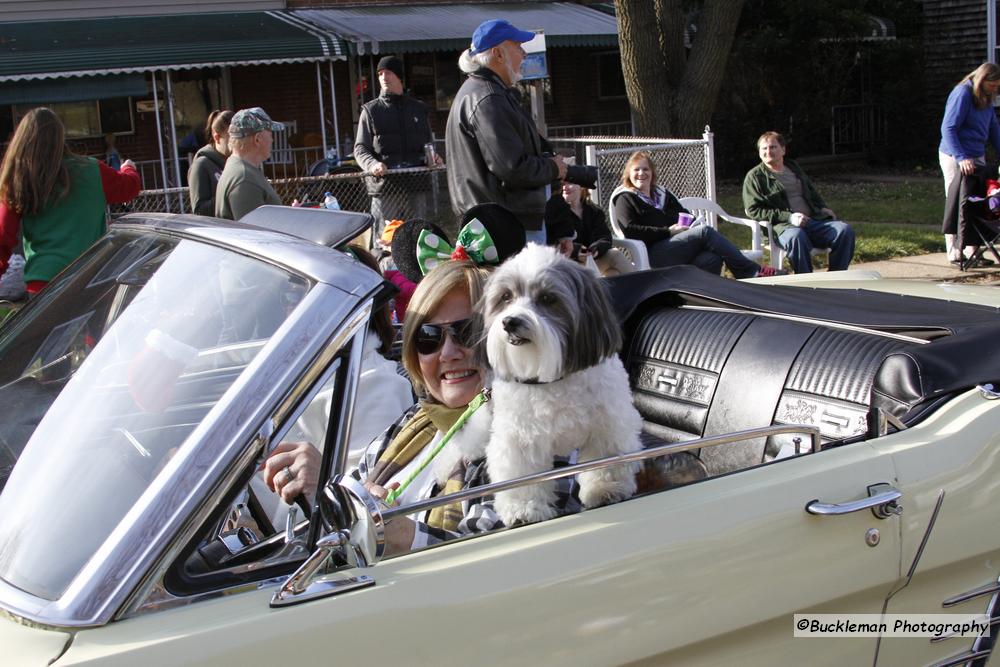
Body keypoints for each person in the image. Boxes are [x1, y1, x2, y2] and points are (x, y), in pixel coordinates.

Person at [445, 18, 567, 245]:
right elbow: (511, 167)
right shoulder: (488, 99)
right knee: (520, 283)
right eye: (518, 46)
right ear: (498, 54)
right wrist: (553, 167)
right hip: (502, 227)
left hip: (493, 223)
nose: (524, 54)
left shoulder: (481, 92)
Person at [0, 108, 140, 296]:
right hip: (91, 277)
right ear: (60, 137)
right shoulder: (92, 170)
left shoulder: (20, 178)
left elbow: (2, 237)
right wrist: (128, 168)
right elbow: (129, 187)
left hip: (44, 282)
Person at [612, 151, 780, 278]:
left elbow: (684, 214)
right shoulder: (625, 198)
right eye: (636, 170)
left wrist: (688, 225)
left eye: (645, 169)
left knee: (711, 258)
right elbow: (630, 230)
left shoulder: (662, 194)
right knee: (705, 232)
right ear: (629, 174)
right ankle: (752, 271)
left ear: (652, 172)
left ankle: (707, 297)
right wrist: (668, 231)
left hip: (678, 246)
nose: (641, 173)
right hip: (652, 252)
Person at [354, 55, 440, 241]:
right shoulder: (370, 111)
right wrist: (372, 164)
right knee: (385, 240)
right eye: (380, 73)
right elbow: (360, 149)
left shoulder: (419, 109)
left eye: (389, 72)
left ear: (399, 76)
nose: (384, 77)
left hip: (416, 184)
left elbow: (428, 143)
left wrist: (433, 157)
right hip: (385, 187)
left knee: (419, 238)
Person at [743, 131, 855, 273]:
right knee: (797, 237)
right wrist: (789, 217)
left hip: (813, 221)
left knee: (845, 231)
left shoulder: (793, 167)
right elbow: (754, 210)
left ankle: (836, 276)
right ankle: (805, 282)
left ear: (783, 149)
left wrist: (822, 207)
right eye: (764, 148)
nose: (768, 151)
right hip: (783, 227)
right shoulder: (754, 177)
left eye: (773, 147)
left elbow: (811, 191)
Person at [939, 63, 1000, 264]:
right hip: (956, 155)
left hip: (976, 155)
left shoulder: (987, 100)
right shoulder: (962, 93)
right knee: (957, 202)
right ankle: (954, 252)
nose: (995, 89)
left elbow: (993, 129)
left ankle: (973, 251)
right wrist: (961, 156)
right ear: (983, 80)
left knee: (976, 203)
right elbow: (948, 128)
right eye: (992, 85)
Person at [545, 180, 634, 277]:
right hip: (568, 264)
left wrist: (595, 249)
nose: (564, 187)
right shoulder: (555, 214)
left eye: (570, 183)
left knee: (615, 255)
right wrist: (576, 251)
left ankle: (644, 290)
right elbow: (551, 242)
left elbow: (604, 236)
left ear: (581, 186)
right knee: (613, 274)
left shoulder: (594, 211)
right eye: (562, 184)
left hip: (593, 259)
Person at [215, 107, 283, 221]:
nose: (272, 140)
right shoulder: (244, 178)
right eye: (270, 134)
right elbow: (255, 235)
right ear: (257, 139)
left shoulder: (241, 169)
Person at [188, 109, 233, 216]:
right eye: (231, 138)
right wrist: (229, 193)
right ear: (217, 137)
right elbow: (199, 210)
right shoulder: (201, 165)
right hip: (217, 230)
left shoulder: (237, 162)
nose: (236, 143)